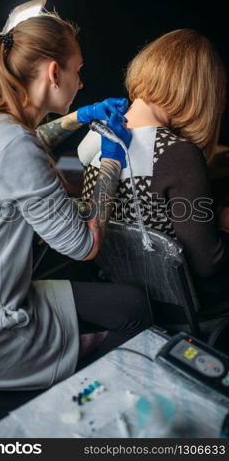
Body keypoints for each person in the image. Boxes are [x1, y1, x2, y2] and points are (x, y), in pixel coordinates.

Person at [0, 11, 151, 391]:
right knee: (134, 314)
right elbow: (85, 245)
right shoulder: (14, 144)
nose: (81, 82)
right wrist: (112, 158)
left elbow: (33, 142)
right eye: (77, 70)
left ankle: (74, 352)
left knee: (128, 303)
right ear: (53, 72)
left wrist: (82, 115)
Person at [78, 29, 229, 319]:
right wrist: (223, 227)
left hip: (121, 291)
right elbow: (207, 263)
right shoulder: (177, 152)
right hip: (176, 305)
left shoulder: (96, 135)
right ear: (200, 94)